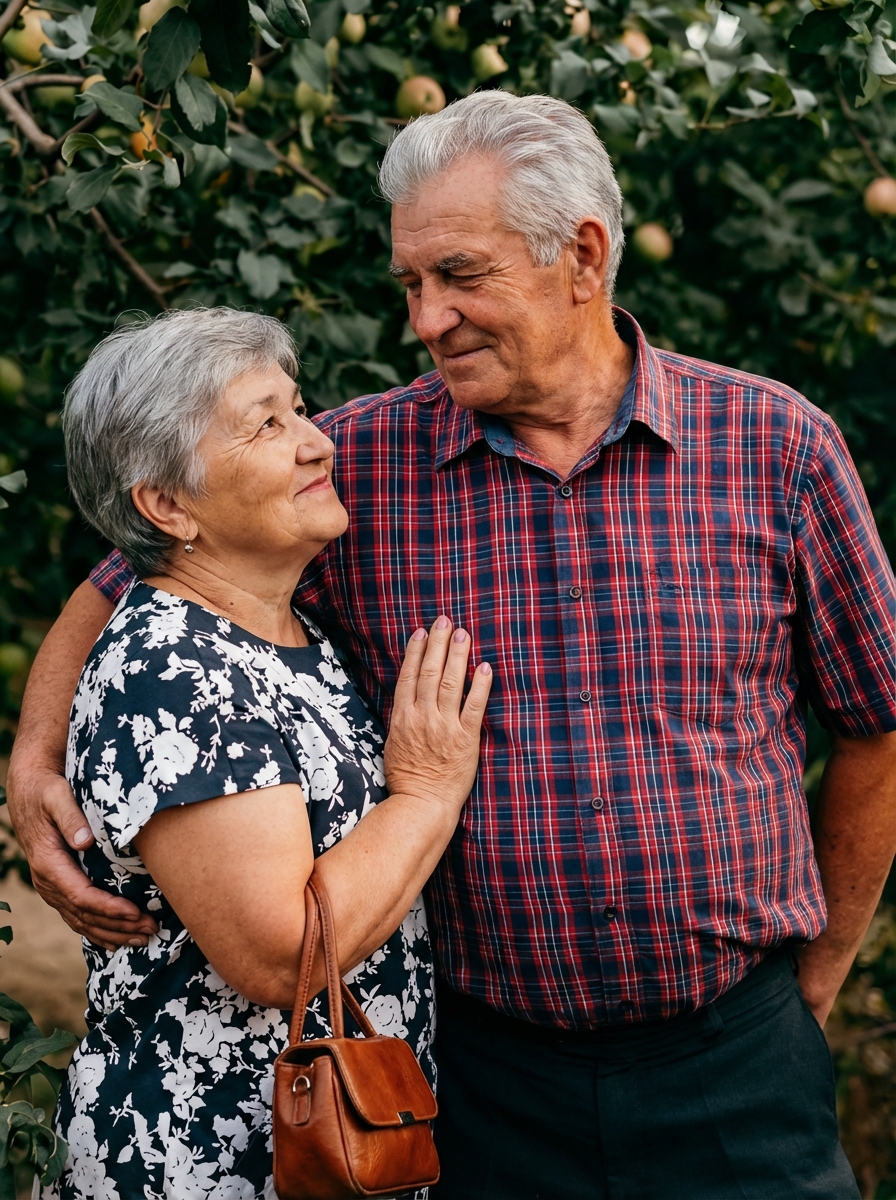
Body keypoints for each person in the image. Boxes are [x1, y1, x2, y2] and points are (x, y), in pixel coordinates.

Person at [9, 91, 896, 1199]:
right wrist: (36, 754)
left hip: (733, 1061)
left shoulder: (773, 446)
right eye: (411, 286)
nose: (426, 320)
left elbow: (873, 726)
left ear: (580, 256)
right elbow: (138, 570)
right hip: (477, 1079)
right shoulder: (357, 465)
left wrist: (809, 986)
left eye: (459, 276)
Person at [35, 307, 492, 1199]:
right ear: (168, 506)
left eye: (299, 408)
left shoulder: (289, 635)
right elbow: (281, 956)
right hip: (209, 1159)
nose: (318, 443)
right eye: (266, 423)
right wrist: (428, 794)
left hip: (326, 1146)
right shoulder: (169, 670)